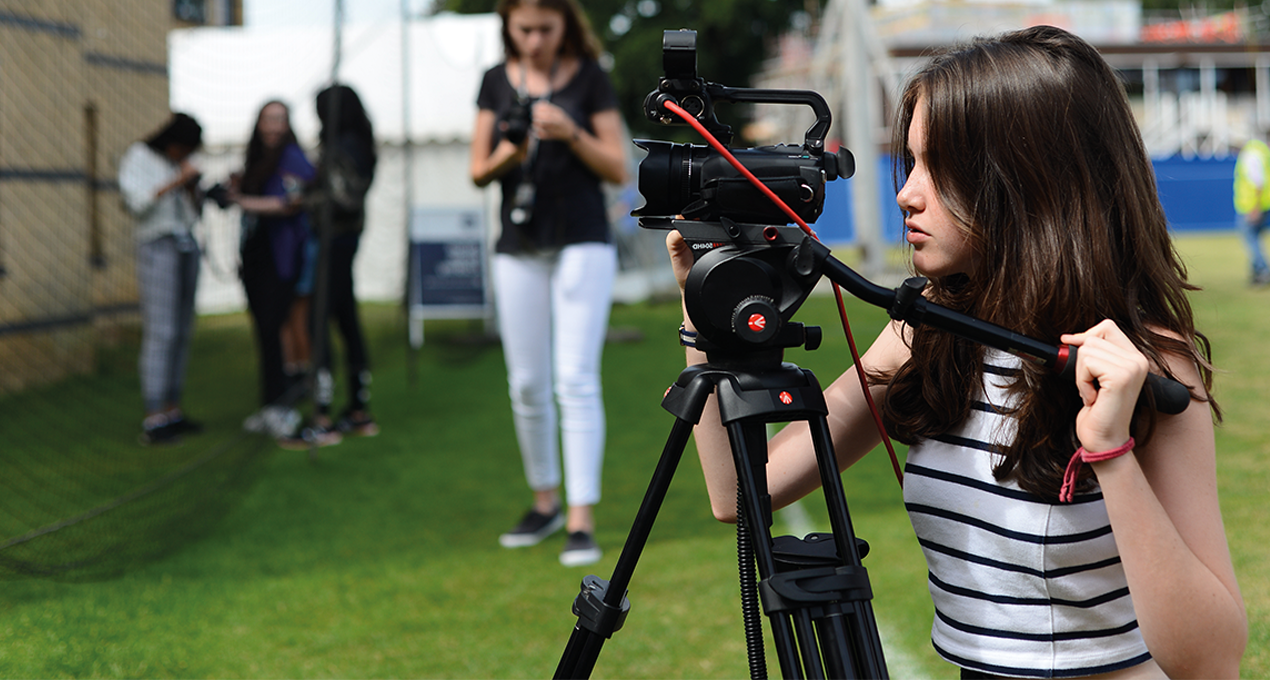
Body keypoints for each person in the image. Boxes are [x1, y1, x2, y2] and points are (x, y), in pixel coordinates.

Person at [666, 26, 1247, 678]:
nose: (907, 193)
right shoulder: (926, 332)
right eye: (909, 162)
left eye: (938, 167)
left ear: (1030, 180)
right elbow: (741, 495)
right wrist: (702, 315)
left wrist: (1110, 453)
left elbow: (1212, 661)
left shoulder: (1144, 365)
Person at [470, 0, 628, 566]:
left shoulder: (589, 78)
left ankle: (581, 517)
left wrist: (570, 131)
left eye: (545, 28)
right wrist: (516, 150)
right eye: (524, 29)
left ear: (565, 25)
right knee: (527, 383)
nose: (535, 39)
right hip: (519, 245)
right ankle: (545, 502)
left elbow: (617, 166)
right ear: (509, 27)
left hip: (582, 237)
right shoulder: (495, 81)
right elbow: (477, 169)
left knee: (575, 378)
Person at [228, 100, 333, 447]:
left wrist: (241, 201)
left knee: (278, 328)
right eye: (267, 120)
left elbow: (291, 202)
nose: (273, 127)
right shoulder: (256, 160)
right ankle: (270, 404)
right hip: (257, 256)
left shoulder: (293, 159)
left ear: (288, 125)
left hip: (283, 257)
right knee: (265, 332)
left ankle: (285, 405)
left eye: (279, 120)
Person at [118, 112, 206, 446]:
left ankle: (173, 409)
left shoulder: (180, 163)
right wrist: (175, 181)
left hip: (186, 244)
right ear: (172, 142)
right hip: (157, 247)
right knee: (162, 331)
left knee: (183, 330)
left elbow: (192, 212)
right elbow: (136, 204)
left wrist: (193, 187)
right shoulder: (139, 157)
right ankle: (154, 417)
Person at [307, 84, 379, 440]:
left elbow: (342, 198)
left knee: (319, 320)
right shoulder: (362, 143)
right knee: (347, 317)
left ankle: (322, 415)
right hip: (347, 238)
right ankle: (358, 407)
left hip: (334, 239)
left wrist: (304, 198)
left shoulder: (340, 148)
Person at [1233, 135, 1270, 285]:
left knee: (1251, 239)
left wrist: (1255, 208)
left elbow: (1258, 181)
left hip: (1251, 206)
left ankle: (1262, 270)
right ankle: (1257, 272)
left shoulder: (1251, 154)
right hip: (1262, 204)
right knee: (1254, 239)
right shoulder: (1262, 152)